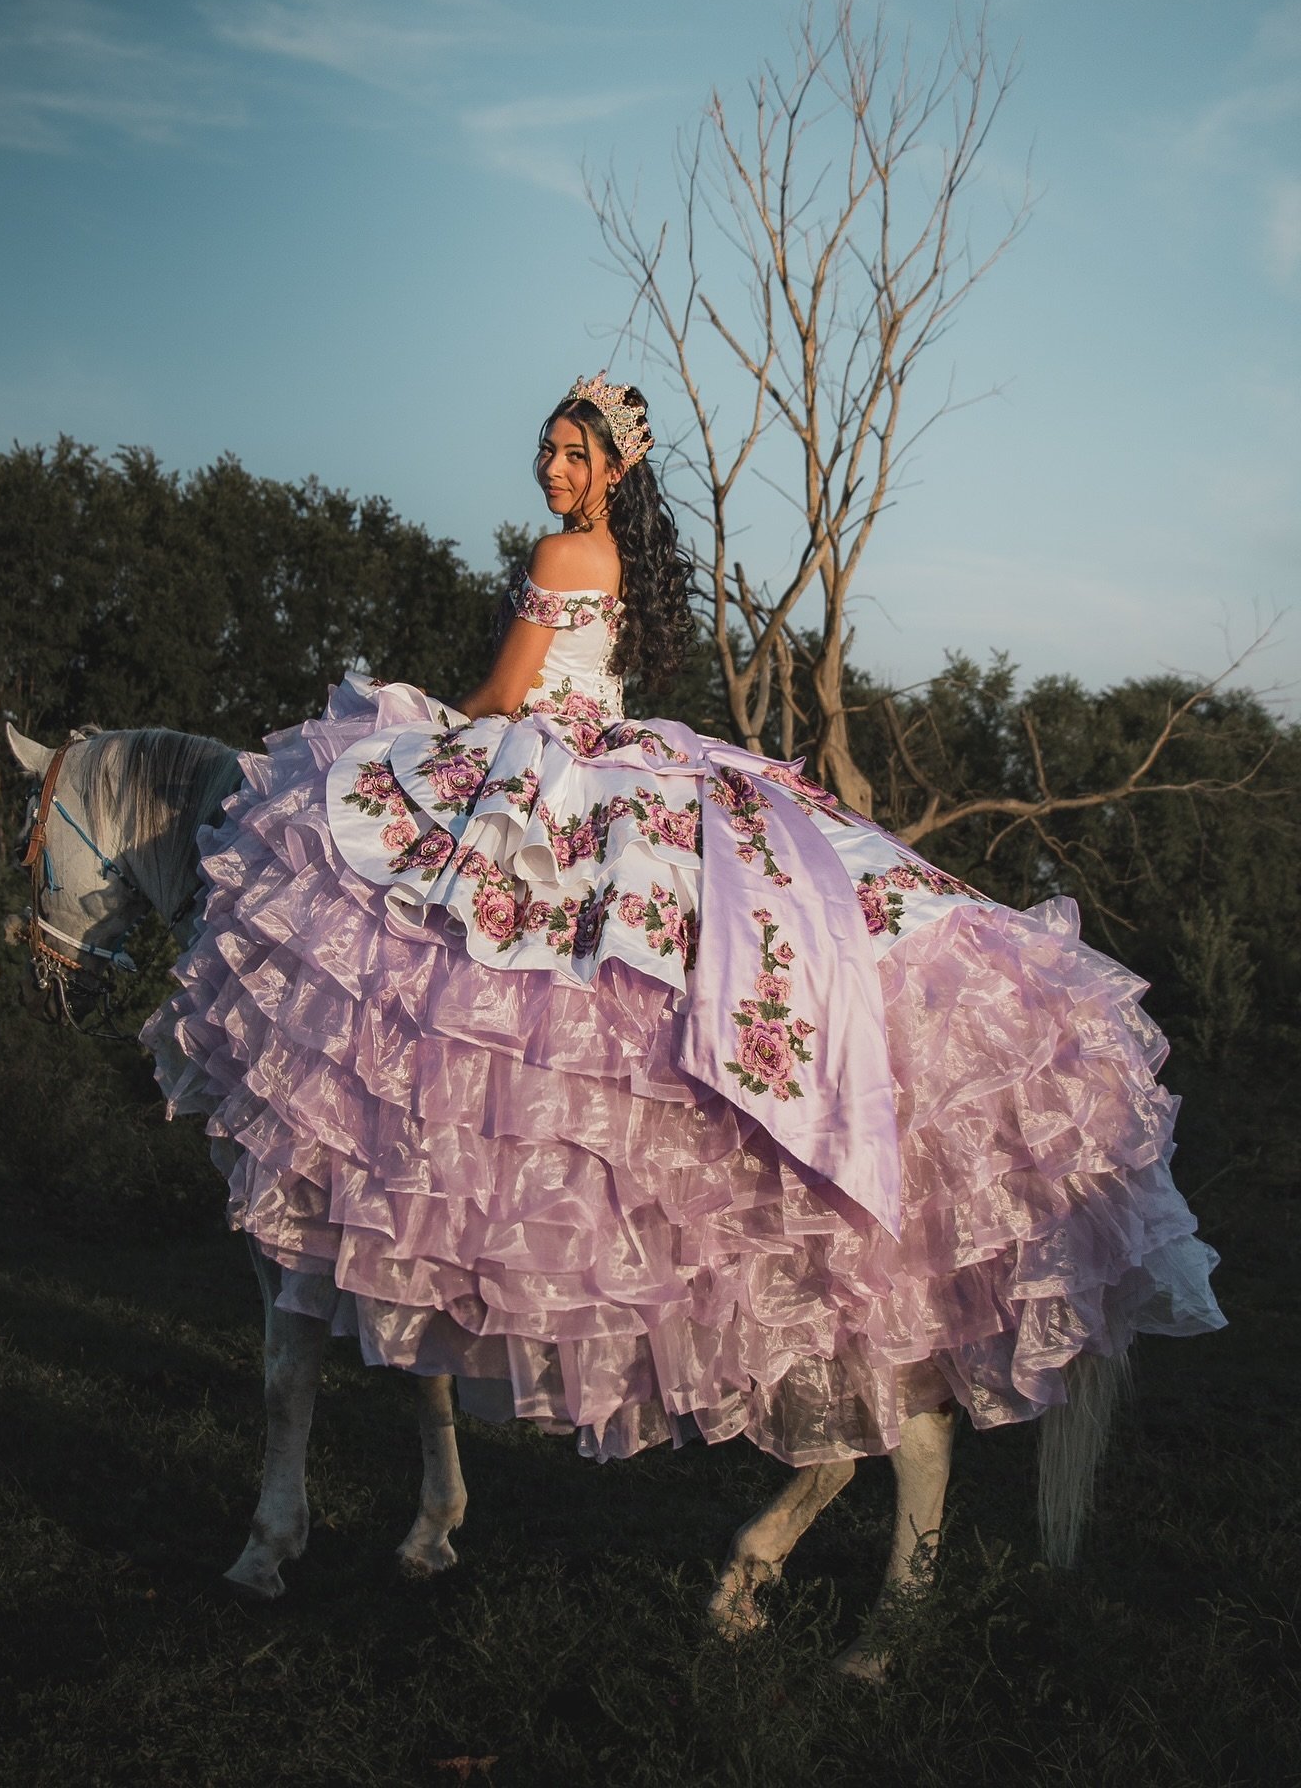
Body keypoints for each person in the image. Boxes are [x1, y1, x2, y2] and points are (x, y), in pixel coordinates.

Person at [144, 371, 1222, 1466]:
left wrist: (418, 728)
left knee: (432, 913)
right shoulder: (622, 564)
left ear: (615, 468)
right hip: (625, 754)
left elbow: (505, 697)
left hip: (555, 757)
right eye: (548, 449)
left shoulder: (563, 555)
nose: (553, 469)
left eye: (574, 454)